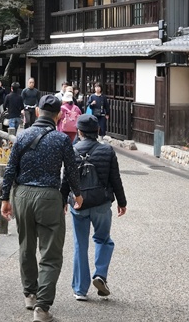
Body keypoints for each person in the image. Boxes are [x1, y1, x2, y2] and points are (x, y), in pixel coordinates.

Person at [0, 95, 83, 322]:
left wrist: (5, 198)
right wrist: (77, 193)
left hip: (23, 195)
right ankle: (42, 308)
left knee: (26, 245)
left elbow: (10, 170)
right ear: (58, 115)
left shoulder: (22, 136)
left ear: (37, 112)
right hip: (49, 196)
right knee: (51, 254)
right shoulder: (61, 139)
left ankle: (30, 293)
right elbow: (71, 170)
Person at [65, 114, 127, 301]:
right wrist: (122, 202)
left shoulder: (72, 150)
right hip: (101, 204)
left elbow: (65, 179)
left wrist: (62, 201)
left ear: (79, 131)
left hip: (79, 203)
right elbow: (115, 179)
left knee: (80, 245)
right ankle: (100, 274)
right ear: (97, 131)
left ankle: (80, 289)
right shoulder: (107, 151)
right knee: (103, 239)